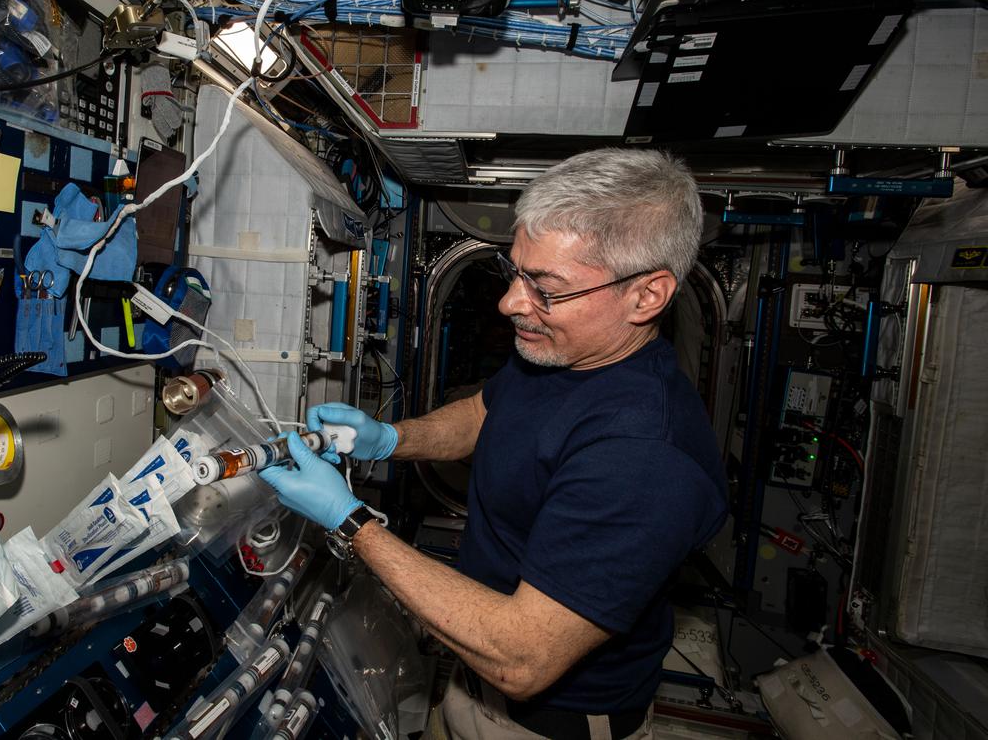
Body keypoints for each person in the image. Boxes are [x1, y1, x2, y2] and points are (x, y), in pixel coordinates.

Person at [260, 147, 728, 740]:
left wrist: (349, 522)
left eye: (546, 288)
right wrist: (388, 440)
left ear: (647, 296)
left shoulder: (645, 456)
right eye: (515, 271)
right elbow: (486, 413)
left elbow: (521, 657)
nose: (511, 303)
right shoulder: (563, 352)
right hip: (469, 678)